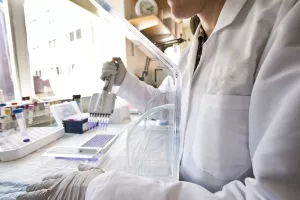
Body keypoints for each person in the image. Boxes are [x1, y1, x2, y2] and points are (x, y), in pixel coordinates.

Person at [18, 0, 300, 199]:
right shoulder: (191, 52)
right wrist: (123, 81)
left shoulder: (285, 19)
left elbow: (276, 194)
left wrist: (102, 191)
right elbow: (168, 106)